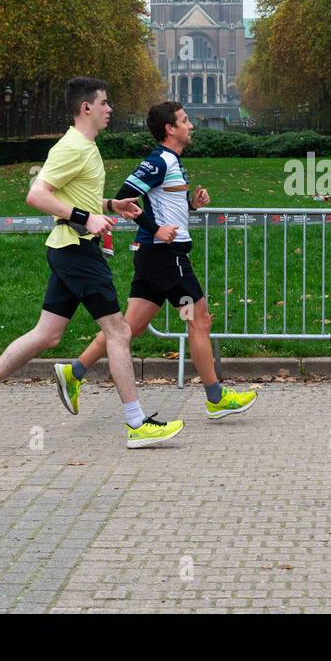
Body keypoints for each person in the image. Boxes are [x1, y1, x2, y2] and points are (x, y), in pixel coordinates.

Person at [0, 78, 183, 448]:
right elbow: (36, 195)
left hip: (69, 247)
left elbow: (76, 193)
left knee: (48, 334)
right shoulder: (73, 146)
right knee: (119, 331)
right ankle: (137, 424)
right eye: (105, 103)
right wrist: (85, 218)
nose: (110, 109)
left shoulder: (85, 147)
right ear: (86, 107)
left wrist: (109, 206)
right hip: (77, 249)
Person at [54, 101, 258, 422]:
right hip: (168, 259)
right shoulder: (159, 160)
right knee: (198, 320)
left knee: (128, 328)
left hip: (156, 259)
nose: (191, 125)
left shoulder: (173, 162)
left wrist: (191, 205)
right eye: (185, 120)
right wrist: (156, 228)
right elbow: (126, 197)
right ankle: (216, 398)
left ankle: (74, 372)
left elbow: (164, 208)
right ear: (170, 129)